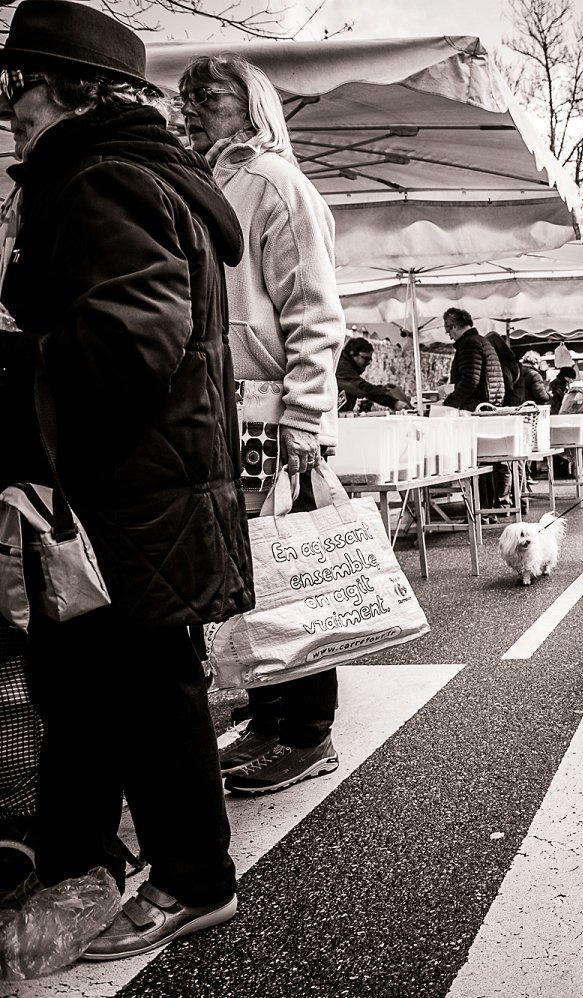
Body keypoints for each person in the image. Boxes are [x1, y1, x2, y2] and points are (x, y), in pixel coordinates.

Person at [0, 0, 249, 958]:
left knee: (149, 683)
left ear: (74, 90)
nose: (12, 102)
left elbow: (134, 339)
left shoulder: (99, 179)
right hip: (147, 479)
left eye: (24, 82)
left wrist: (15, 365)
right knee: (109, 677)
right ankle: (97, 856)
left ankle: (195, 878)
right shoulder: (123, 173)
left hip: (133, 485)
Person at [179, 52, 348, 797]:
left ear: (251, 104)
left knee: (292, 575)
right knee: (252, 579)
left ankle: (307, 733)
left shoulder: (277, 184)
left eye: (207, 94)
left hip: (276, 418)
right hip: (230, 414)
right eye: (185, 95)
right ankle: (268, 715)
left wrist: (304, 421)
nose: (189, 106)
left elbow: (316, 314)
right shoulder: (208, 183)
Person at [439, 307, 505, 411]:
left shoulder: (469, 344)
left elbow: (470, 381)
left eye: (448, 332)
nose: (450, 337)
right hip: (488, 404)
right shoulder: (482, 341)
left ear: (455, 327)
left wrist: (449, 404)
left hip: (477, 408)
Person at [336, 336, 411, 413]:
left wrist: (381, 389)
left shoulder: (346, 367)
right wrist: (393, 403)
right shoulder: (341, 366)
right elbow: (360, 387)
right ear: (352, 353)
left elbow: (360, 387)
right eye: (365, 358)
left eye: (369, 360)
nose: (368, 363)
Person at [485, 328, 521, 404]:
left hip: (509, 403)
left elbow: (507, 384)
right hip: (516, 400)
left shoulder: (503, 364)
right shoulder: (512, 360)